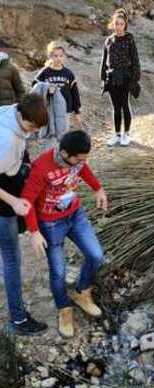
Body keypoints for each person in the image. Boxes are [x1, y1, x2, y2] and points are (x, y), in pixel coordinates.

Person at [21, 130, 108, 338]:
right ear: (65, 153)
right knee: (58, 272)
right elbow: (26, 201)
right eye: (78, 159)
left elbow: (83, 168)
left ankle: (81, 292)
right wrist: (34, 231)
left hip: (75, 215)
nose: (81, 163)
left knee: (96, 255)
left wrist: (98, 188)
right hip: (51, 225)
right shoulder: (41, 168)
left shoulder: (77, 161)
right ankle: (64, 309)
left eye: (84, 159)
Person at [0, 93, 48, 336]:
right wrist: (15, 202)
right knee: (11, 260)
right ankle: (18, 320)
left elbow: (23, 144)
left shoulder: (9, 111)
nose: (30, 132)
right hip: (3, 203)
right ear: (21, 115)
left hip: (8, 187)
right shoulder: (6, 140)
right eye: (29, 126)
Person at [100, 9, 141, 147]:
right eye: (116, 23)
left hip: (125, 77)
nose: (118, 26)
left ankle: (126, 134)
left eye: (121, 24)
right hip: (111, 77)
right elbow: (104, 61)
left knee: (125, 105)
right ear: (113, 24)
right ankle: (117, 134)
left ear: (125, 25)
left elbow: (135, 59)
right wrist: (103, 78)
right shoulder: (108, 40)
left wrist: (135, 79)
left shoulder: (129, 39)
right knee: (115, 107)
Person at [33, 41, 82, 133]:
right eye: (55, 56)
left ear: (64, 56)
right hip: (49, 108)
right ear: (50, 56)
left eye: (61, 56)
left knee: (62, 133)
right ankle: (51, 147)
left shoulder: (68, 73)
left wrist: (77, 111)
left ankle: (61, 147)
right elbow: (35, 87)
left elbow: (75, 93)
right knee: (49, 133)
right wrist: (46, 90)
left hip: (65, 109)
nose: (58, 58)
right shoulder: (45, 72)